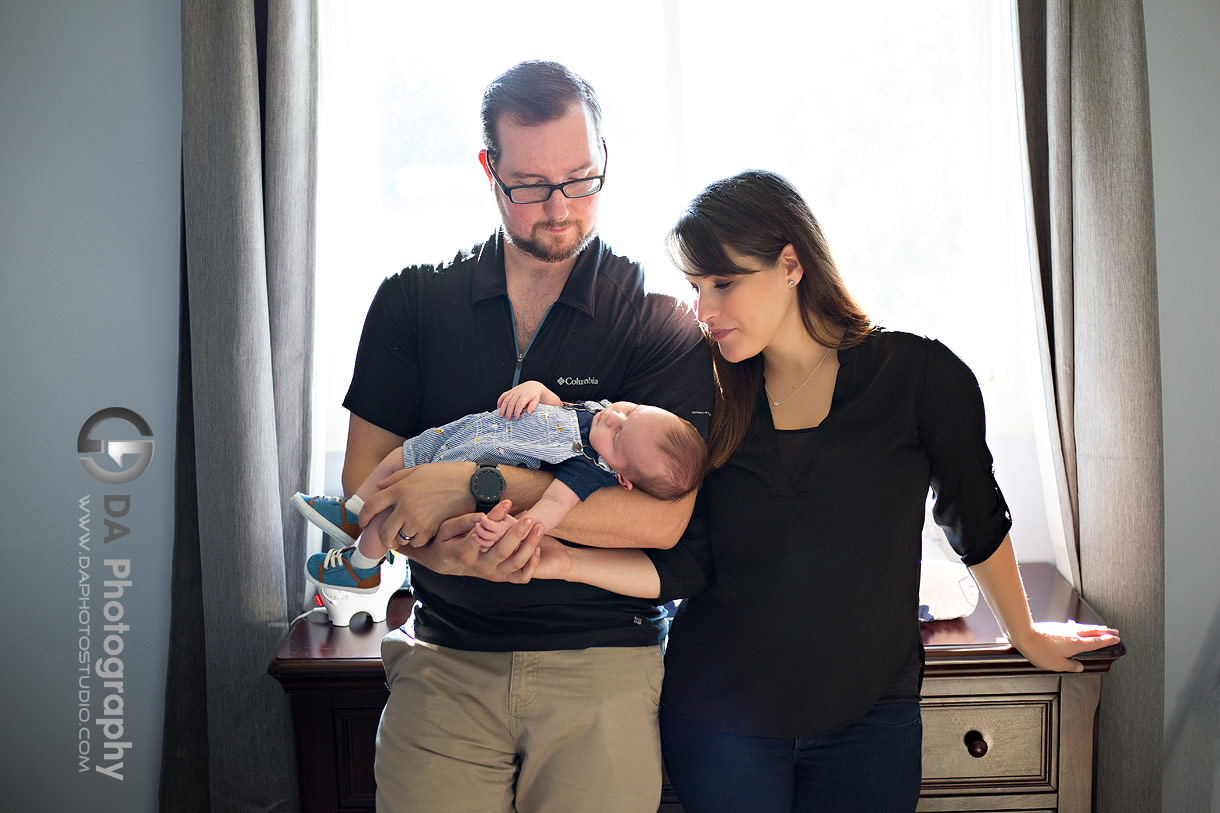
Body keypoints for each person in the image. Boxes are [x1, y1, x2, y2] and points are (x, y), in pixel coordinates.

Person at [497, 170, 1121, 811]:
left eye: (723, 283)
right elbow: (684, 561)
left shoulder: (920, 377)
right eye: (694, 287)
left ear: (791, 264)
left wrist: (1024, 634)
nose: (702, 310)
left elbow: (976, 517)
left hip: (870, 718)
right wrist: (563, 559)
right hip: (718, 722)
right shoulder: (701, 400)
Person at [337, 61, 713, 812]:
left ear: (604, 156)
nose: (561, 208)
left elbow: (663, 518)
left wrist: (474, 484)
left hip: (603, 661)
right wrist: (438, 545)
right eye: (532, 186)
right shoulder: (411, 303)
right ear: (489, 170)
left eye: (581, 178)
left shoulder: (660, 323)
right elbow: (364, 490)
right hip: (445, 656)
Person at [294, 379, 706, 591]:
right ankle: (353, 511)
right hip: (462, 434)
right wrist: (534, 390)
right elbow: (554, 402)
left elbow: (550, 509)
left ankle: (361, 568)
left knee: (402, 498)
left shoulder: (587, 469)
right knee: (401, 455)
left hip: (471, 460)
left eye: (619, 437)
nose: (614, 419)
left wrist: (509, 527)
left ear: (621, 477)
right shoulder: (598, 416)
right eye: (630, 412)